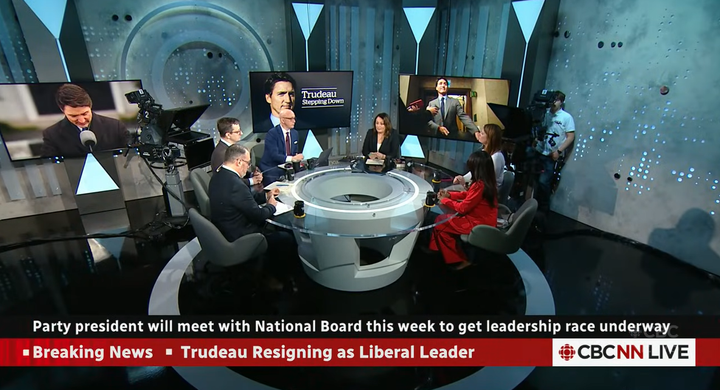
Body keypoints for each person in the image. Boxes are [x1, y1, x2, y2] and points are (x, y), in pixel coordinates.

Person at [428, 150, 498, 270]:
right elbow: (467, 195)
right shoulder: (486, 182)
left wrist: (443, 200)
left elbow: (463, 208)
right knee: (441, 222)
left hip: (478, 224)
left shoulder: (480, 185)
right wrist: (449, 195)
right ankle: (436, 248)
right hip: (483, 220)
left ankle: (459, 258)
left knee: (440, 222)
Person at [41, 84, 128, 158]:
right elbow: (48, 165)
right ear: (62, 110)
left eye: (85, 113)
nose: (82, 120)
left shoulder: (115, 127)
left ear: (90, 106)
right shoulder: (51, 135)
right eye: (73, 116)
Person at [533, 91, 575, 212]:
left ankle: (543, 210)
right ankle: (533, 208)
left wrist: (559, 151)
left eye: (556, 100)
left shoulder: (566, 117)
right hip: (540, 150)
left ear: (561, 102)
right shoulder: (545, 114)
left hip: (551, 155)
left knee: (544, 182)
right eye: (553, 99)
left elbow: (570, 137)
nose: (554, 102)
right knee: (535, 182)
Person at [210, 117, 262, 186]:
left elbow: (237, 170)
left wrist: (252, 175)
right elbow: (229, 180)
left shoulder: (232, 148)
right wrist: (251, 181)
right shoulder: (221, 154)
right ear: (228, 135)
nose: (241, 133)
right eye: (238, 132)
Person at [453, 123, 505, 189]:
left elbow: (485, 179)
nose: (479, 135)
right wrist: (462, 178)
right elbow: (476, 172)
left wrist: (467, 185)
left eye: (482, 133)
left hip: (488, 193)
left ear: (490, 138)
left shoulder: (496, 157)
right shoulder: (484, 152)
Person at [258, 109, 303, 186]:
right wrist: (292, 159)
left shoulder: (294, 133)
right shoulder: (272, 133)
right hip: (272, 167)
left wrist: (297, 157)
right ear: (282, 120)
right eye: (290, 118)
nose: (294, 121)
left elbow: (294, 152)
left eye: (294, 118)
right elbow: (274, 155)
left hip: (286, 166)